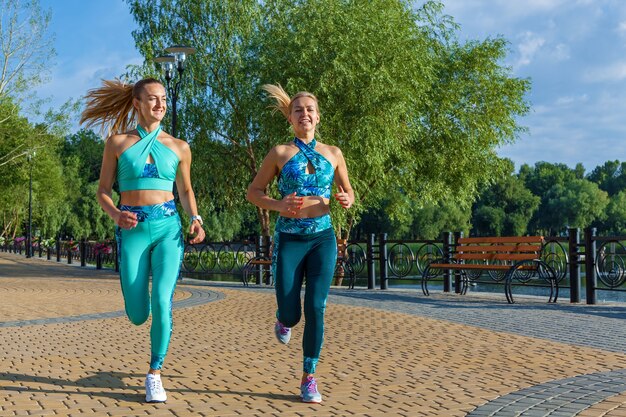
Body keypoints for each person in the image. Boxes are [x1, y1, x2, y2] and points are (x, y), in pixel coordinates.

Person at [80, 78, 205, 403]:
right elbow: (103, 192)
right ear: (137, 103)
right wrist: (116, 215)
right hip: (132, 229)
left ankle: (154, 374)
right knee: (137, 314)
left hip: (167, 228)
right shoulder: (117, 143)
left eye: (163, 99)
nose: (161, 105)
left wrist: (195, 218)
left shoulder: (179, 146)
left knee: (162, 302)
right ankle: (143, 321)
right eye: (153, 99)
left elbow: (186, 190)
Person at [246, 84, 354, 403]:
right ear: (290, 119)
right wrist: (279, 205)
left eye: (309, 109)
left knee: (316, 307)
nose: (304, 113)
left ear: (317, 117)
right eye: (298, 110)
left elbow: (348, 191)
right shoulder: (280, 153)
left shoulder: (333, 153)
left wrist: (346, 198)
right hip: (290, 239)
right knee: (293, 313)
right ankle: (284, 319)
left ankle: (309, 377)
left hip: (322, 238)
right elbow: (254, 192)